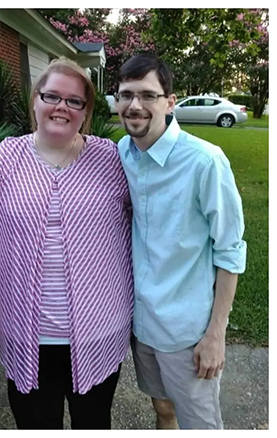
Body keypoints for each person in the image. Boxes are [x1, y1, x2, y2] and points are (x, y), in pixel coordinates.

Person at [0, 58, 133, 429]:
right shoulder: (5, 158)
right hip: (24, 329)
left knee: (94, 423)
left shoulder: (111, 160)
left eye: (74, 101)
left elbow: (148, 219)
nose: (61, 108)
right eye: (52, 96)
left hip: (99, 329)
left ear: (86, 111)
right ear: (35, 100)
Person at [114, 53, 246, 429]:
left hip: (188, 330)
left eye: (148, 95)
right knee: (163, 410)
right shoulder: (122, 153)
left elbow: (230, 250)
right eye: (126, 95)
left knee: (200, 424)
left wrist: (216, 334)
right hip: (143, 323)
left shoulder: (205, 162)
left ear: (170, 102)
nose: (135, 105)